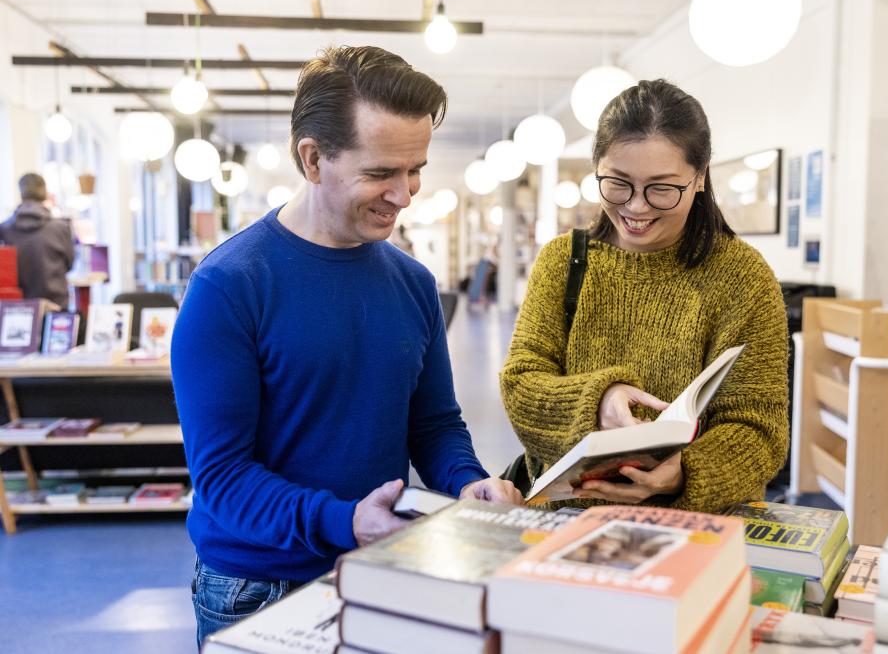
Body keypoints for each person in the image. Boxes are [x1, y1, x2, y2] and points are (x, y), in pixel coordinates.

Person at [171, 45, 520, 646]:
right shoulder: (228, 287)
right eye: (381, 172)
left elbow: (434, 424)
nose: (405, 194)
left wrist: (468, 484)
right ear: (313, 158)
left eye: (415, 170)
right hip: (257, 586)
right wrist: (344, 521)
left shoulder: (412, 283)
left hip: (378, 567)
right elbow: (223, 478)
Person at [500, 79, 789, 514]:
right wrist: (599, 400)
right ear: (597, 166)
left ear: (700, 178)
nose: (636, 207)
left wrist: (683, 473)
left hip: (689, 534)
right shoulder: (563, 262)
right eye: (618, 184)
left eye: (661, 188)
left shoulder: (742, 278)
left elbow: (759, 429)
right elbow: (520, 384)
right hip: (562, 525)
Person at [0, 173, 74, 308]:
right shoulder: (61, 228)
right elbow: (70, 264)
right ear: (44, 193)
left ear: (21, 194)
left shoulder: (4, 230)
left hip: (17, 311)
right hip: (56, 308)